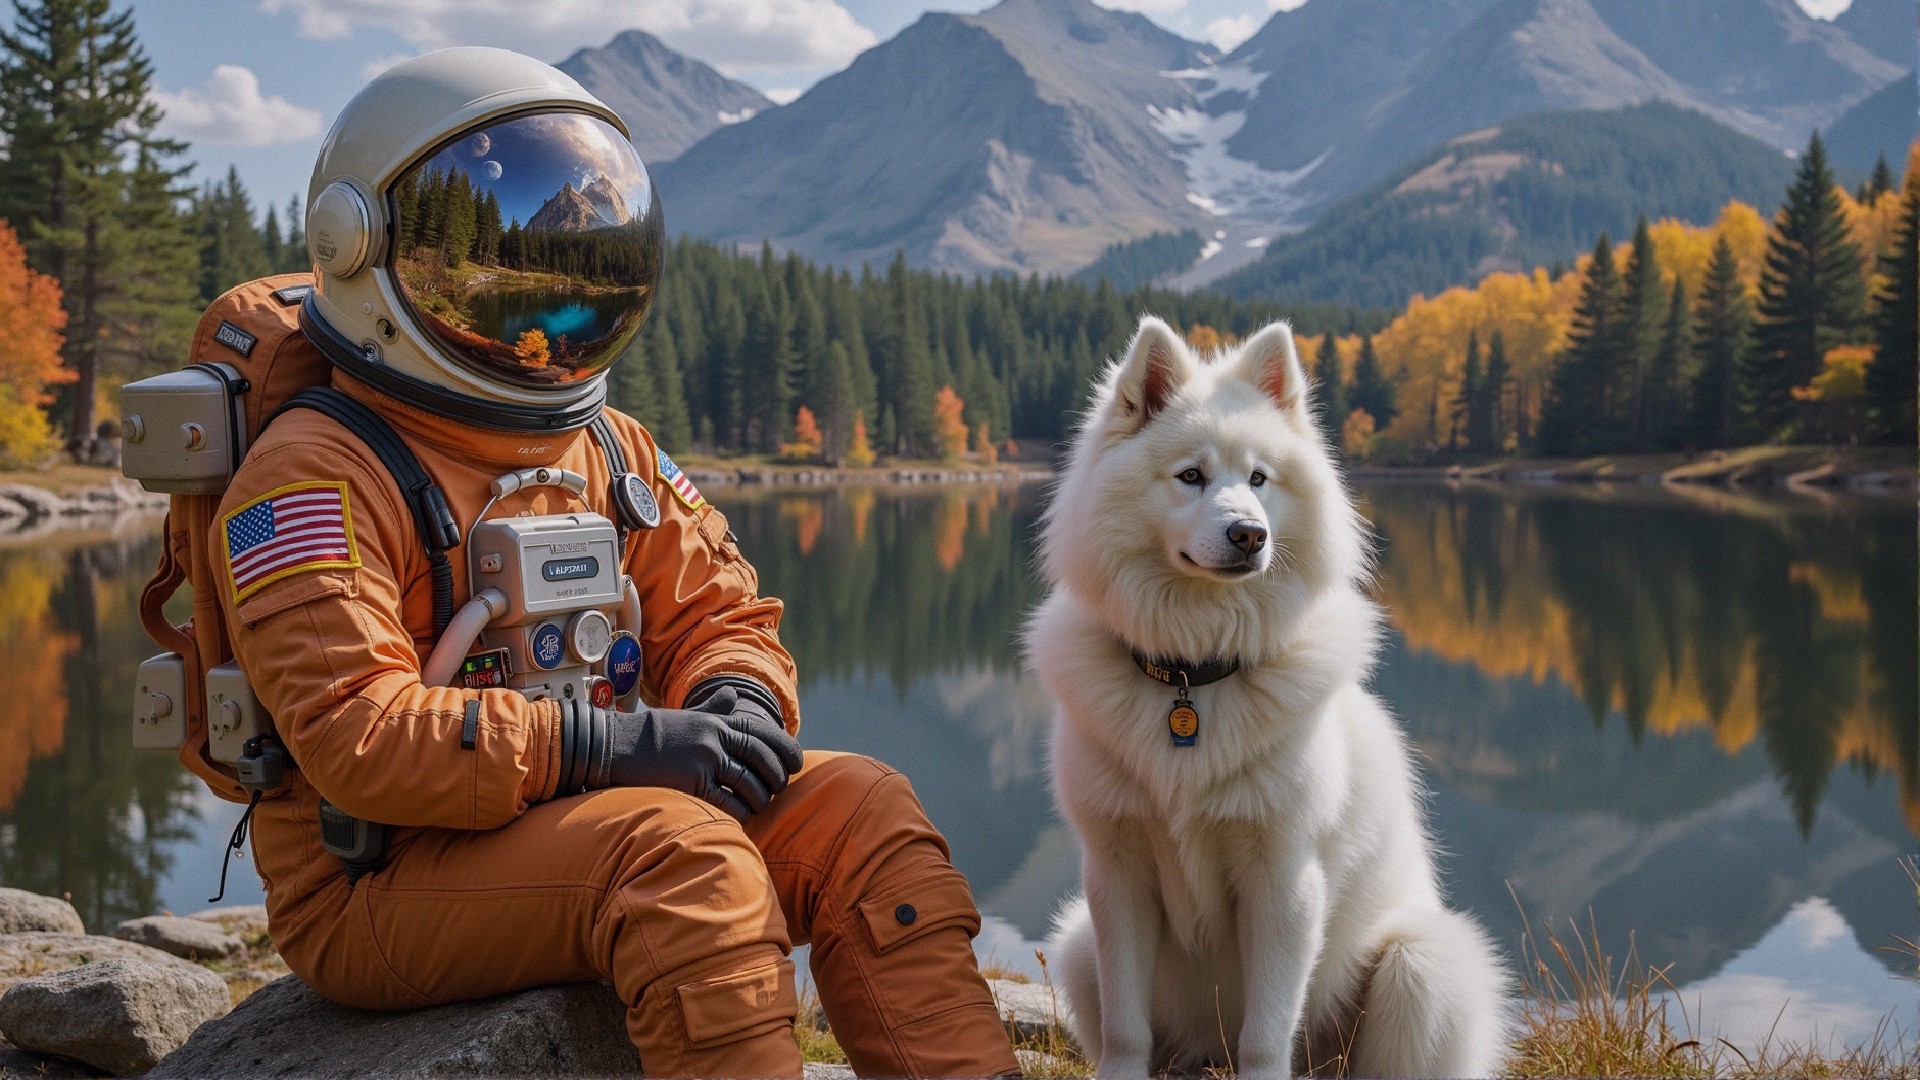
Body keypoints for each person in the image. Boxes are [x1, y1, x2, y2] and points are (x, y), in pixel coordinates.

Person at [214, 47, 1019, 1078]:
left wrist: (736, 702)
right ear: (361, 244)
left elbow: (722, 615)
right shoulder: (311, 475)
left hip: (576, 820)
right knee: (684, 864)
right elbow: (357, 736)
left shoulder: (608, 447)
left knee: (863, 811)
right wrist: (603, 746)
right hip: (379, 878)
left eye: (585, 269)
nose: (547, 313)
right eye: (499, 271)